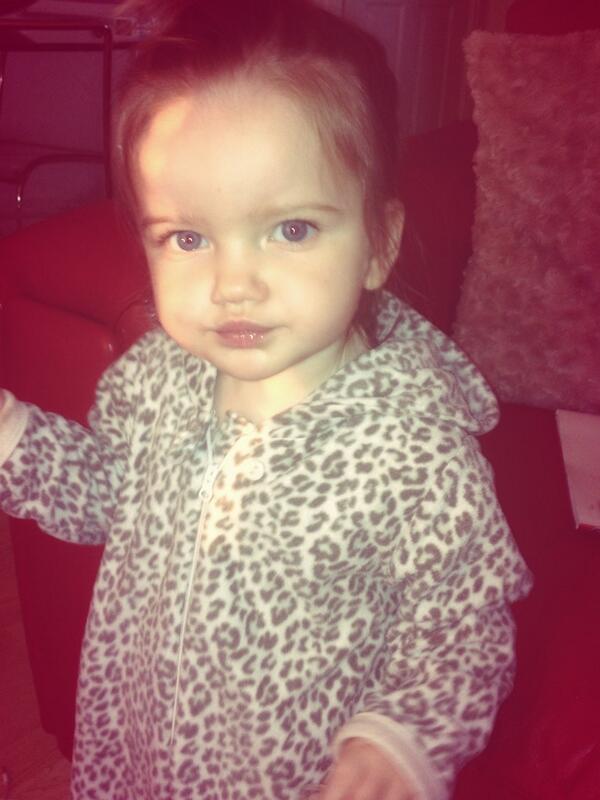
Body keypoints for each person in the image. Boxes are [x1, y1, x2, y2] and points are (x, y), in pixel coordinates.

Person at [0, 1, 532, 798]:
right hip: (139, 750)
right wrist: (11, 433)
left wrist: (400, 739)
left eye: (290, 230)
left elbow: (463, 628)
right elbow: (110, 497)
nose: (233, 284)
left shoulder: (412, 447)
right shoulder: (155, 377)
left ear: (379, 243)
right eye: (188, 238)